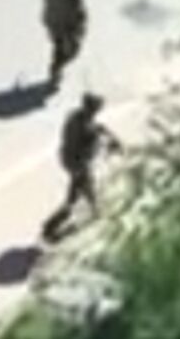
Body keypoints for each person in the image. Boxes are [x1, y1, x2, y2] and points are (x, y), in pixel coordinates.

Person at [42, 93, 121, 242]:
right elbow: (94, 138)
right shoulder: (86, 128)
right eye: (97, 107)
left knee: (82, 191)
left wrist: (108, 137)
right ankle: (50, 229)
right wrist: (111, 144)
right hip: (78, 164)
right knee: (76, 196)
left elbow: (97, 129)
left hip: (69, 159)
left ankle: (94, 211)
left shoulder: (75, 117)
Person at [42, 0, 88, 87]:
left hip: (59, 25)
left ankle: (56, 72)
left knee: (62, 49)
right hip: (64, 27)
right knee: (68, 50)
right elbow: (69, 2)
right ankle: (56, 72)